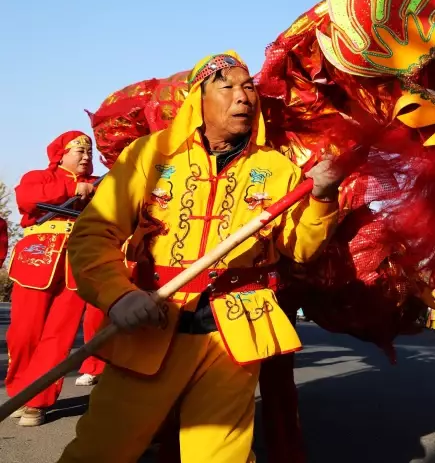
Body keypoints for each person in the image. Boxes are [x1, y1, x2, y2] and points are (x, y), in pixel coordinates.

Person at [58, 52, 343, 463]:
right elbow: (92, 234)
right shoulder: (149, 155)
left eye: (248, 87)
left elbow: (301, 247)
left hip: (235, 331)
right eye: (226, 86)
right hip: (151, 320)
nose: (242, 96)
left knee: (220, 457)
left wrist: (321, 196)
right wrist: (118, 295)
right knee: (102, 450)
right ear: (198, 100)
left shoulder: (276, 168)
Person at [6, 131, 102, 427]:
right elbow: (27, 199)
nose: (86, 157)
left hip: (77, 263)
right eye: (79, 152)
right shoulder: (39, 177)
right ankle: (19, 392)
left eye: (89, 152)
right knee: (24, 332)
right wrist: (75, 186)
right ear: (60, 154)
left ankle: (38, 401)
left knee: (58, 337)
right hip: (38, 260)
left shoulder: (100, 184)